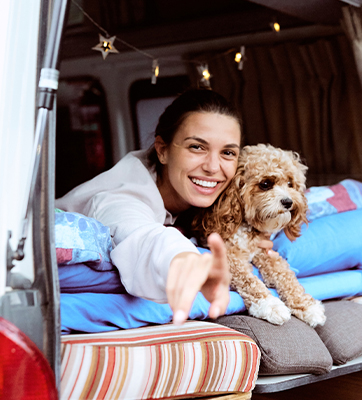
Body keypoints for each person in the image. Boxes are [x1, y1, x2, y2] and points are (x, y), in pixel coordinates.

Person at [56, 88, 274, 325]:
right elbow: (142, 237)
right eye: (196, 147)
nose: (213, 167)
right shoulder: (120, 196)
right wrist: (186, 263)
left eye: (228, 152)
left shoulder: (211, 198)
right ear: (162, 150)